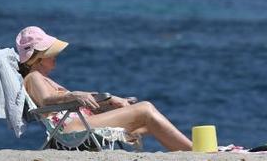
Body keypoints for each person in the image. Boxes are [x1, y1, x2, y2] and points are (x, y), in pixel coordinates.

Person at [16, 26, 192, 151]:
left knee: (148, 121)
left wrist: (110, 101)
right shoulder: (34, 77)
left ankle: (190, 151)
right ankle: (194, 151)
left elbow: (64, 103)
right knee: (145, 109)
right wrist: (74, 95)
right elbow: (47, 101)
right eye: (50, 53)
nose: (55, 56)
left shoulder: (44, 78)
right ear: (37, 57)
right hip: (73, 129)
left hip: (80, 122)